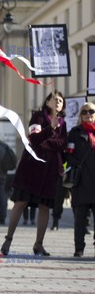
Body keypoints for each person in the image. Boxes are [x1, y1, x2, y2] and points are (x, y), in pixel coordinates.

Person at [1, 91, 67, 256]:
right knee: (20, 203)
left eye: (60, 100)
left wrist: (48, 141)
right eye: (55, 99)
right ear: (47, 102)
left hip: (50, 172)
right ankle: (8, 240)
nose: (58, 102)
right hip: (31, 169)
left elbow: (62, 143)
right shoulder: (37, 117)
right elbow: (34, 140)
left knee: (44, 207)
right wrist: (50, 129)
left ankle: (39, 244)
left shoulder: (64, 122)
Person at [66, 102, 95, 257]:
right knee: (80, 218)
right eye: (84, 112)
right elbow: (69, 154)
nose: (88, 114)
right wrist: (75, 167)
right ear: (80, 115)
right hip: (81, 182)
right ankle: (79, 248)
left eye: (91, 111)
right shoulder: (75, 133)